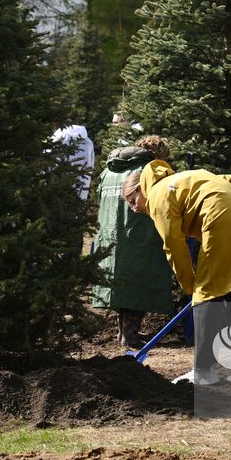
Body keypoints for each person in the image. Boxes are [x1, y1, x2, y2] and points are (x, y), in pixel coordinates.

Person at [122, 158, 231, 385]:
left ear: (140, 188)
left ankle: (203, 372)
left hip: (218, 217)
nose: (135, 208)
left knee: (206, 298)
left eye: (133, 200)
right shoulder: (186, 178)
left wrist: (191, 285)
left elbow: (173, 244)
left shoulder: (156, 195)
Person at [91, 135, 176, 350]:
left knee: (123, 287)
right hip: (141, 236)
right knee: (139, 285)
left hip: (110, 237)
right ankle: (129, 336)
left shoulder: (109, 170)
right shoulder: (149, 170)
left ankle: (125, 333)